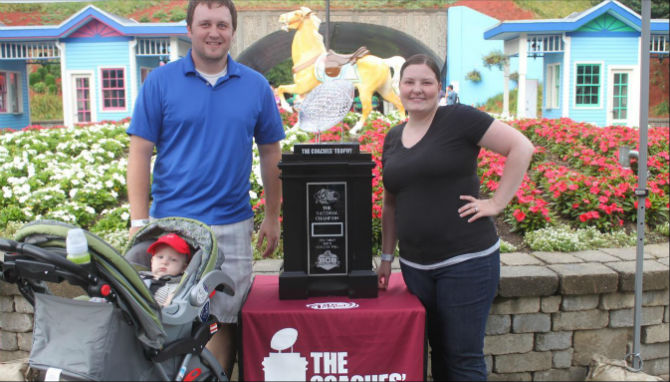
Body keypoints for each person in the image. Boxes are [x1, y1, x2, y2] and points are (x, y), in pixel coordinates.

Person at [126, 0, 285, 377]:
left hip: (231, 225)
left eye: (222, 25)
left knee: (221, 320)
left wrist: (273, 215)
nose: (214, 32)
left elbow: (271, 153)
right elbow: (139, 152)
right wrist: (138, 220)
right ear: (189, 29)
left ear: (232, 30)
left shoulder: (256, 85)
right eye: (205, 24)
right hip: (173, 227)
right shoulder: (161, 82)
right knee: (168, 318)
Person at [376, 54, 534, 381]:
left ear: (439, 88)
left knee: (463, 359)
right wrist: (387, 256)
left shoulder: (458, 119)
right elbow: (391, 203)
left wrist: (496, 203)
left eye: (426, 82)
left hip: (466, 262)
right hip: (416, 268)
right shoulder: (392, 137)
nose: (417, 89)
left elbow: (521, 147)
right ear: (399, 87)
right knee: (440, 355)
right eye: (409, 82)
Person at [140, 233, 192, 307]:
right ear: (152, 261)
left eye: (173, 260)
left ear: (184, 268)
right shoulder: (140, 276)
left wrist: (172, 300)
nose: (164, 262)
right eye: (160, 257)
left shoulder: (177, 287)